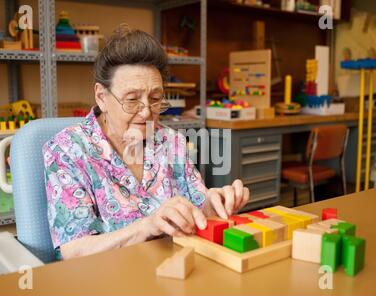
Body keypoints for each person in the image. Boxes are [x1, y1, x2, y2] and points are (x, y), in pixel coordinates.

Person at [43, 25, 250, 260]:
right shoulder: (67, 150)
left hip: (172, 271)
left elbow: (196, 207)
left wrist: (211, 207)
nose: (146, 113)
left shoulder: (171, 142)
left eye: (155, 99)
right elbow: (74, 250)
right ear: (101, 97)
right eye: (132, 100)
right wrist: (147, 226)